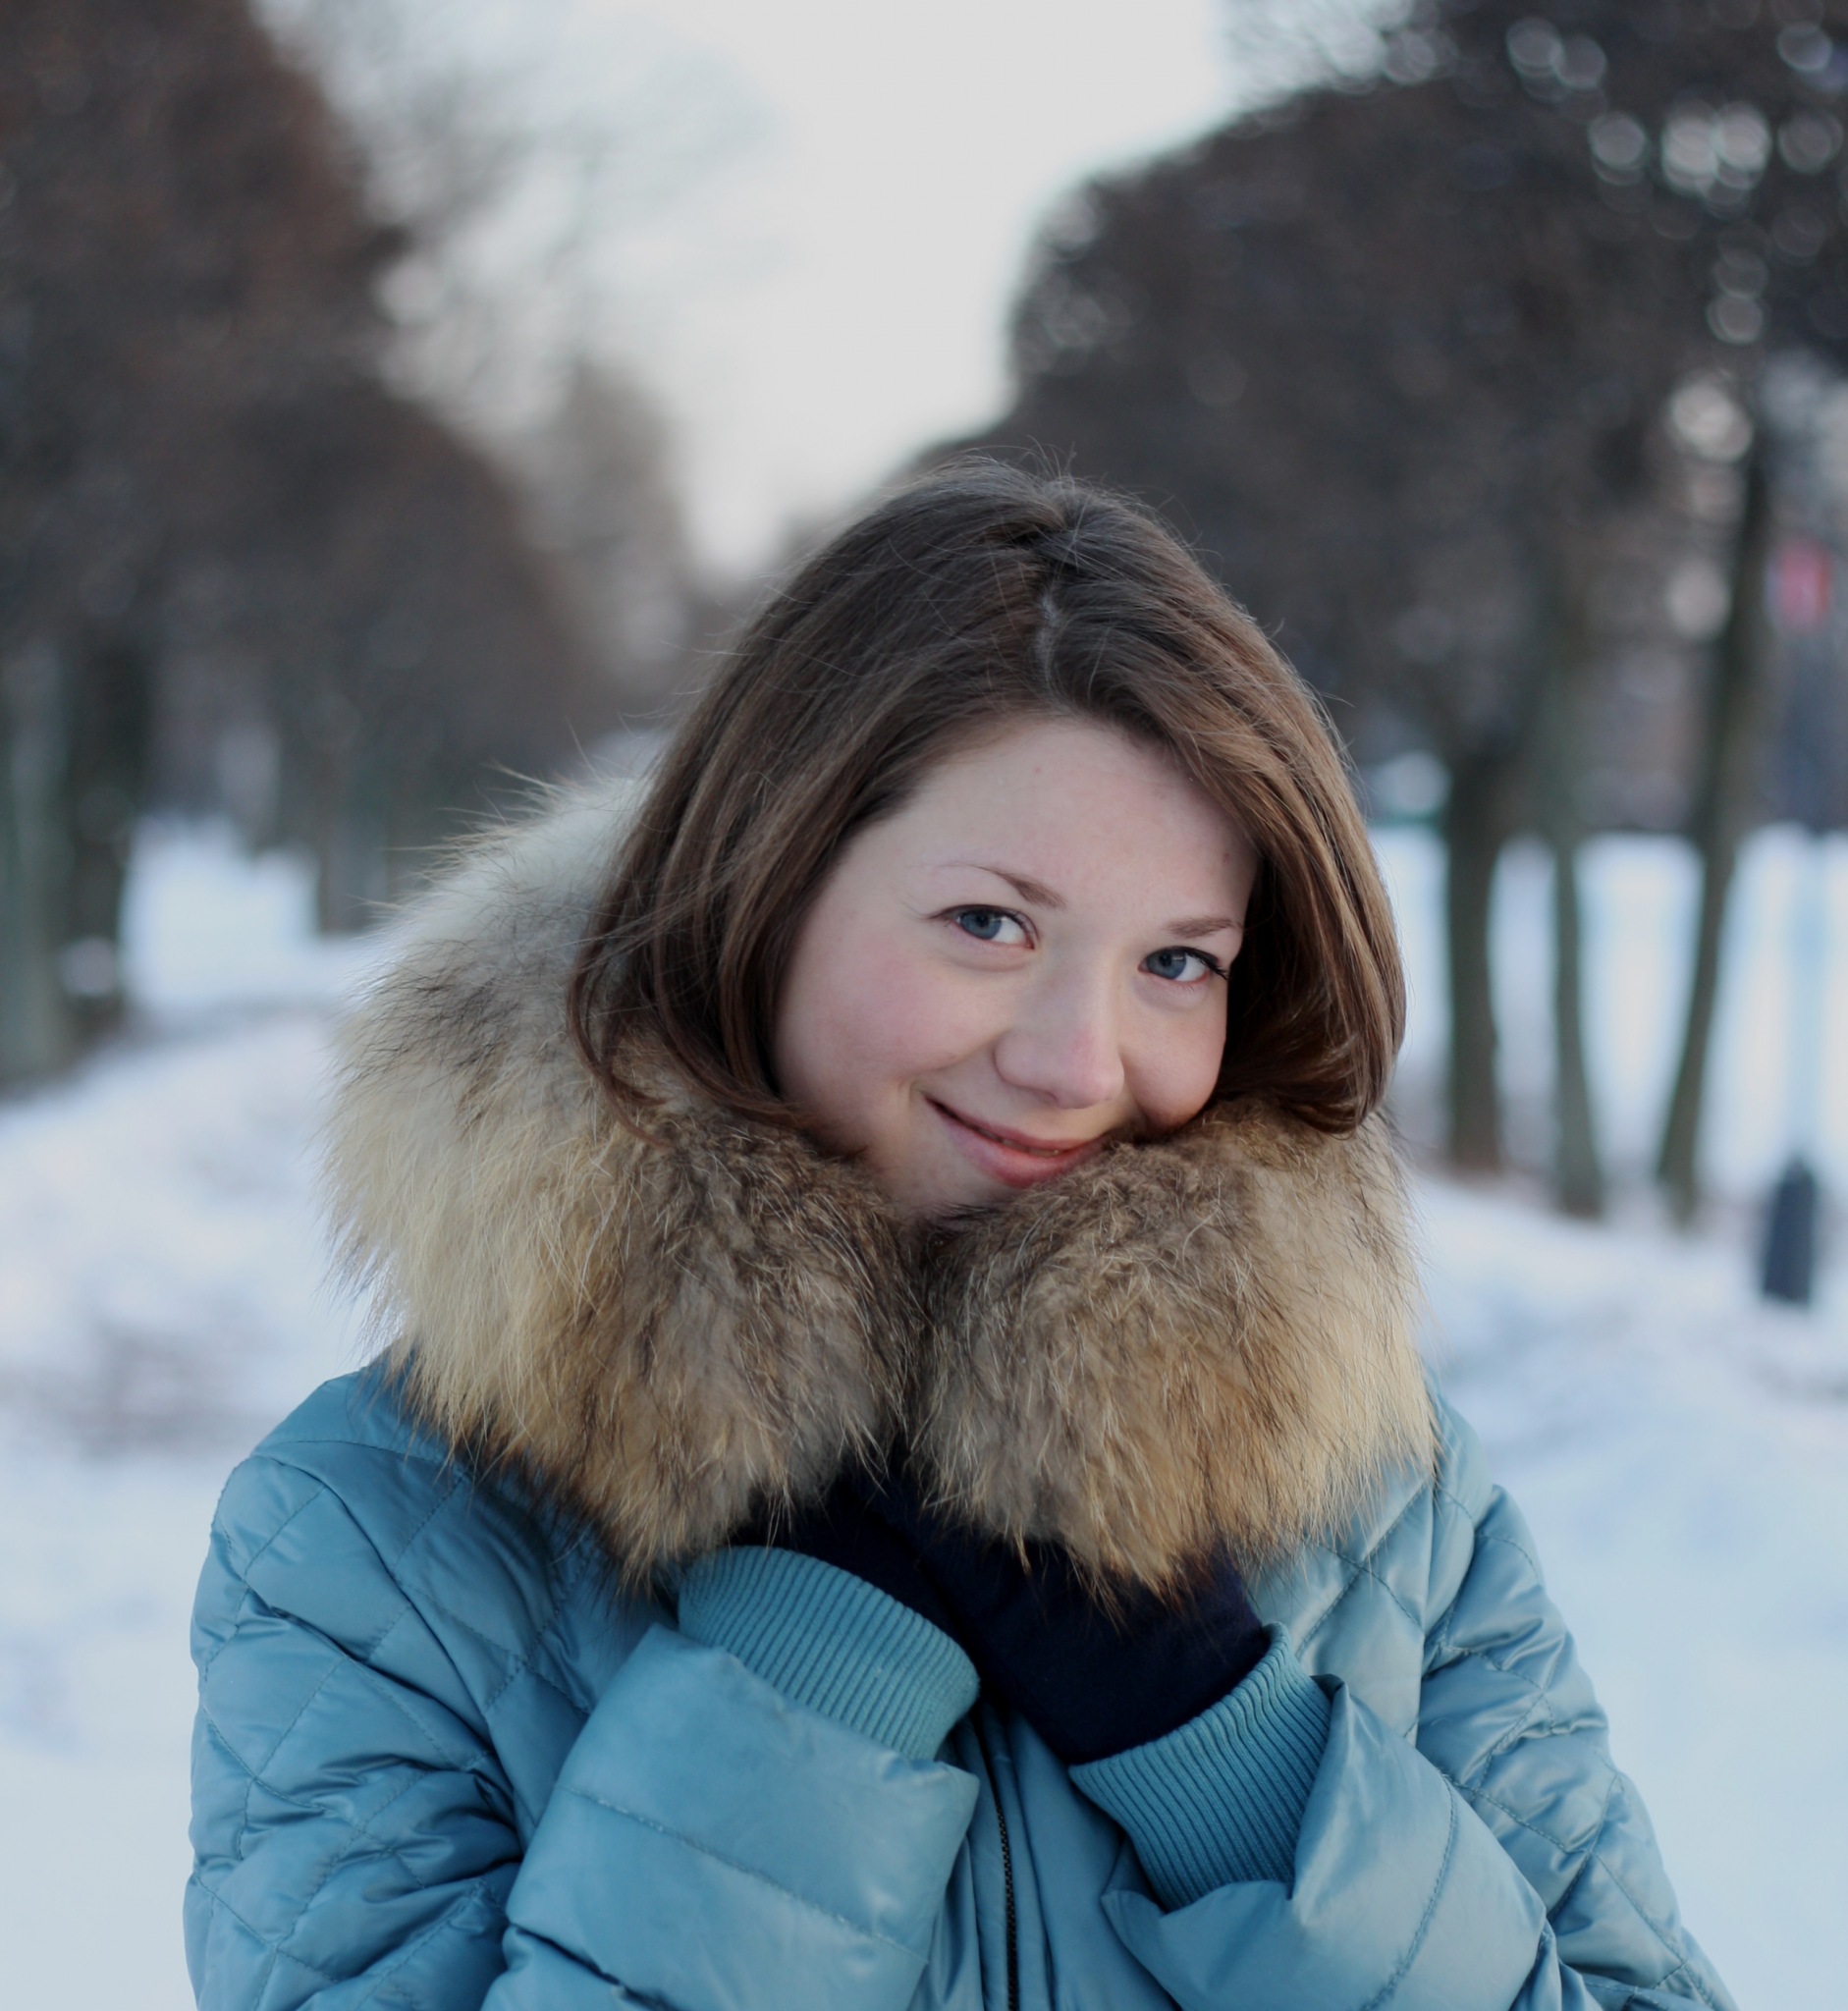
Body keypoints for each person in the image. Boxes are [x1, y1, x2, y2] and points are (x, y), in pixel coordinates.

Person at [186, 463, 1734, 2011]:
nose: (1078, 1062)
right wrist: (805, 1695)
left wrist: (1240, 1768)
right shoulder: (371, 1544)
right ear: (765, 895)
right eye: (989, 924)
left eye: (1177, 963)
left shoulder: (1393, 1511)